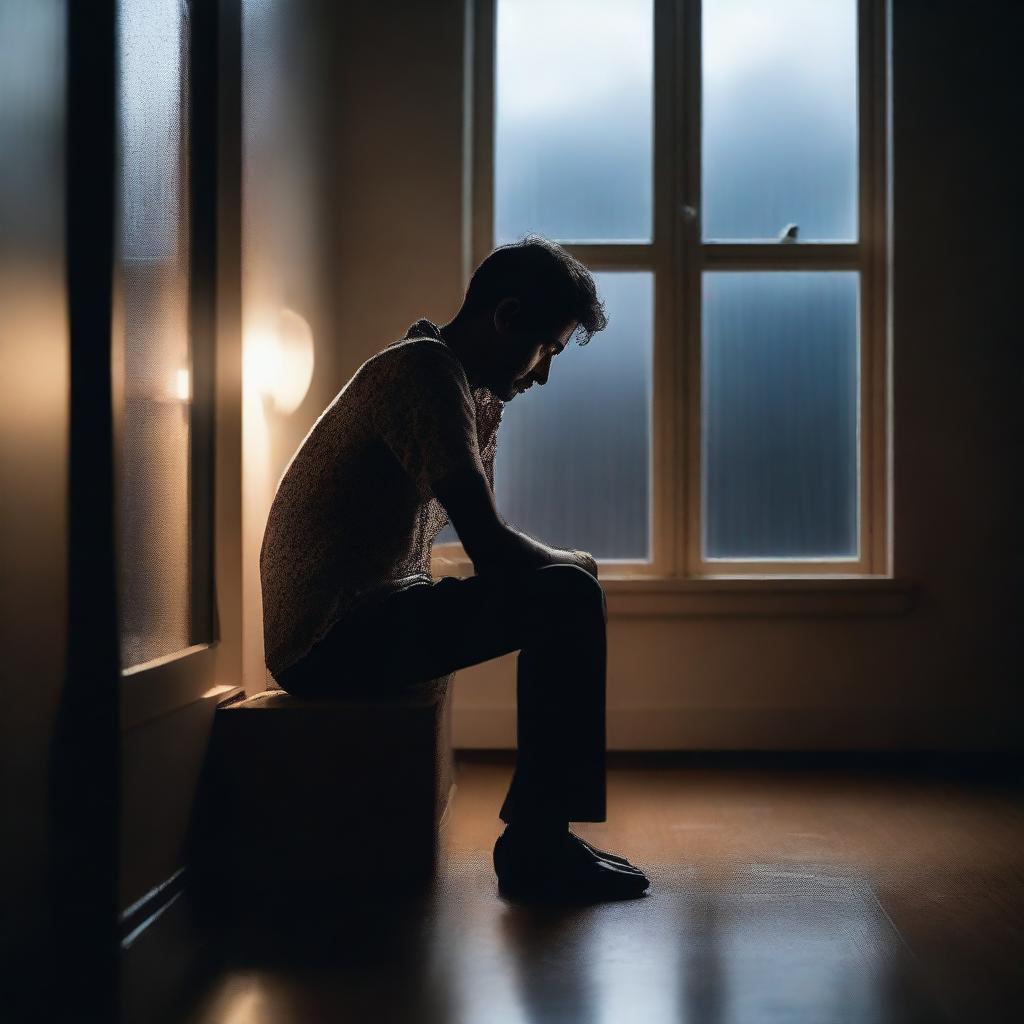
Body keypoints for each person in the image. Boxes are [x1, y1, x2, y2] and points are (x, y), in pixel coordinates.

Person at [260, 236, 650, 902]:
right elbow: (490, 547)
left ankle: (543, 832)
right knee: (568, 593)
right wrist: (571, 574)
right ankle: (537, 841)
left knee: (568, 583)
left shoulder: (451, 379)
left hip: (364, 616)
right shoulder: (424, 374)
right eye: (547, 349)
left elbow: (485, 545)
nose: (544, 373)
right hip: (329, 641)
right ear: (506, 317)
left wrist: (567, 569)